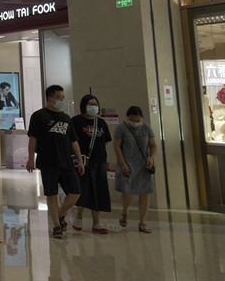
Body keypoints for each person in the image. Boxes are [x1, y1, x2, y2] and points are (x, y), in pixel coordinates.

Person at [26, 84, 85, 239]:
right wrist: (31, 159)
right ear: (50, 99)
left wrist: (80, 160)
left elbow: (74, 141)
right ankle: (57, 226)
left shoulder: (66, 118)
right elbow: (33, 139)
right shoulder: (39, 116)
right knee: (51, 194)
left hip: (66, 161)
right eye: (58, 97)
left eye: (63, 97)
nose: (61, 100)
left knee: (75, 193)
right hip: (48, 161)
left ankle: (60, 214)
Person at [69, 94, 112, 233]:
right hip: (83, 162)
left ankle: (97, 222)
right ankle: (78, 217)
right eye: (90, 104)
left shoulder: (101, 123)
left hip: (99, 161)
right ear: (84, 106)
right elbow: (72, 141)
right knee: (83, 190)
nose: (93, 107)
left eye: (95, 104)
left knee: (99, 191)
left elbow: (105, 141)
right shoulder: (76, 121)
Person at [113, 105, 158, 233]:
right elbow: (116, 146)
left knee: (145, 192)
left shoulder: (147, 128)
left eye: (138, 121)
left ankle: (142, 222)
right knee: (128, 191)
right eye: (133, 121)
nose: (136, 123)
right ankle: (125, 212)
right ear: (128, 118)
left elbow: (153, 146)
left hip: (144, 165)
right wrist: (122, 163)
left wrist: (151, 158)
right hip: (127, 164)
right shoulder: (121, 128)